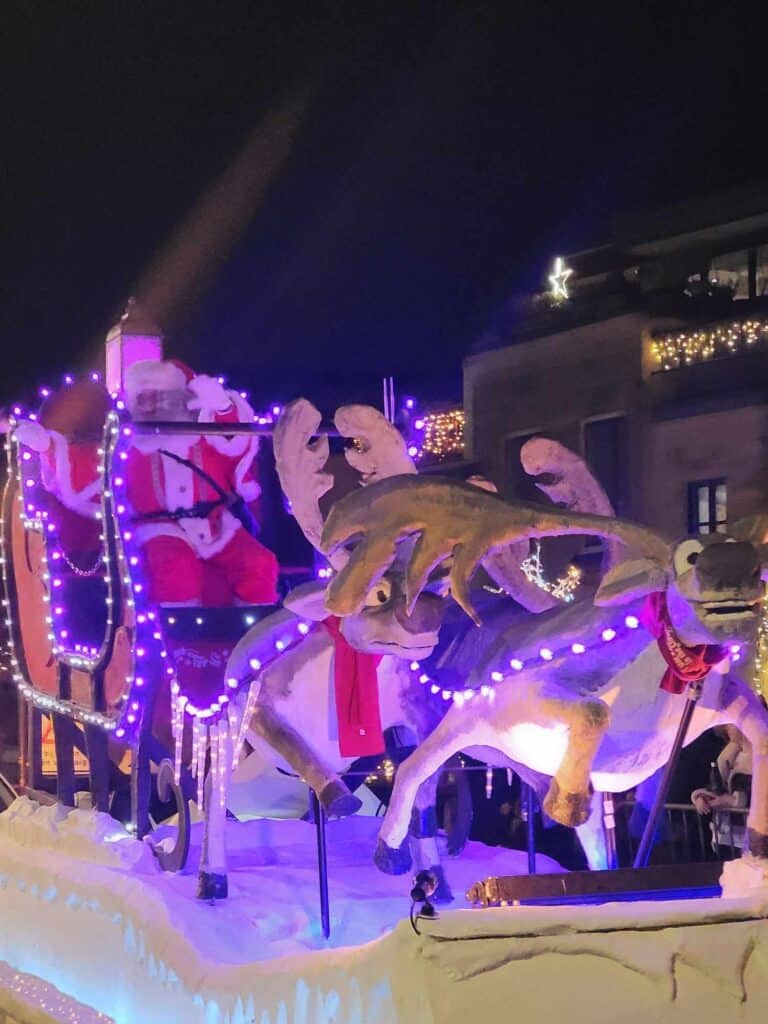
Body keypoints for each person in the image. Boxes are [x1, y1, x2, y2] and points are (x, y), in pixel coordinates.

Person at [123, 358, 279, 606]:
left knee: (259, 562)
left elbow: (235, 441)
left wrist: (223, 407)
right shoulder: (130, 447)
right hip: (158, 526)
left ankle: (256, 632)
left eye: (159, 396)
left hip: (215, 524)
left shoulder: (206, 437)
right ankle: (179, 637)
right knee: (175, 564)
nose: (151, 405)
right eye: (143, 398)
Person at [691, 725, 752, 857]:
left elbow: (758, 794)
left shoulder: (759, 757)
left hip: (750, 834)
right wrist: (701, 797)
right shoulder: (727, 756)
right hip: (725, 834)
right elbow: (715, 786)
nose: (729, 729)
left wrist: (731, 800)